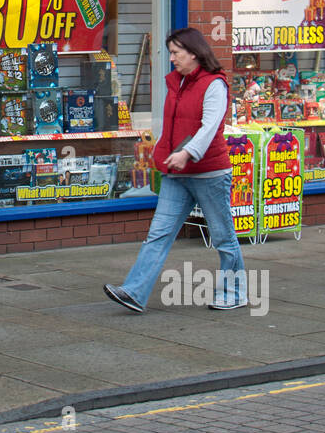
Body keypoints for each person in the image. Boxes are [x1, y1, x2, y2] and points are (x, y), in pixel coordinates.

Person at [104, 27, 248, 313]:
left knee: (222, 236)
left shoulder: (214, 85)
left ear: (194, 53)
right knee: (158, 234)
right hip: (176, 173)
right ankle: (134, 292)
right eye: (170, 53)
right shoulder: (177, 83)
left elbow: (210, 127)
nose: (171, 59)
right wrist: (166, 155)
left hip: (209, 173)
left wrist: (188, 153)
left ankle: (235, 292)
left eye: (175, 53)